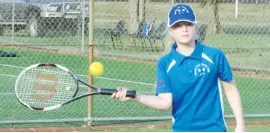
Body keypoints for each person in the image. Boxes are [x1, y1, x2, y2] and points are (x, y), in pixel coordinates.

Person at [111, 4, 245, 132]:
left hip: (214, 129)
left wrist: (240, 125)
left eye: (188, 24)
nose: (184, 29)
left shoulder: (215, 55)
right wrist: (136, 96)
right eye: (177, 25)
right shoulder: (164, 63)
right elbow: (165, 102)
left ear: (195, 26)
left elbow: (231, 89)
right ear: (170, 31)